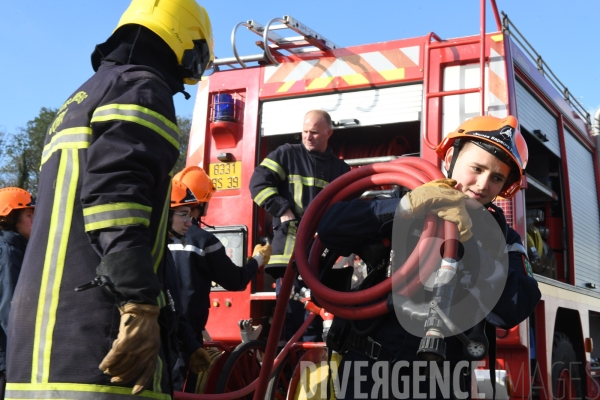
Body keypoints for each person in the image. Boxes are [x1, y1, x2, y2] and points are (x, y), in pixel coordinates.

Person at [5, 1, 214, 398]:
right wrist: (138, 306)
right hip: (97, 348)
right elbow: (116, 201)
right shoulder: (143, 86)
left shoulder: (79, 100)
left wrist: (181, 340)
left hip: (38, 351)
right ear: (189, 48)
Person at [318, 115, 542, 399]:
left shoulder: (502, 237)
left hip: (441, 380)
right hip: (368, 372)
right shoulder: (409, 200)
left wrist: (471, 244)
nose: (483, 184)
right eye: (476, 168)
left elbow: (516, 307)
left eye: (496, 178)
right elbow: (329, 228)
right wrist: (404, 207)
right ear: (451, 156)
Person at [168, 166, 272, 392]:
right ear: (202, 203)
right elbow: (235, 281)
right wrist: (256, 260)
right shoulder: (205, 241)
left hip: (162, 330)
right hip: (188, 336)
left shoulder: (155, 240)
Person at [249, 109, 350, 341]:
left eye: (314, 132)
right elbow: (258, 182)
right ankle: (286, 374)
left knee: (316, 326)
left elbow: (348, 208)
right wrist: (281, 209)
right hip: (288, 259)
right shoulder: (286, 155)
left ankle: (311, 374)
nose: (308, 137)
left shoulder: (340, 170)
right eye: (304, 131)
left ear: (328, 133)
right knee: (288, 323)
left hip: (322, 260)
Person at [0, 188, 35, 400]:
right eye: (29, 215)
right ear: (12, 218)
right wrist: (23, 354)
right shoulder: (8, 250)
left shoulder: (15, 247)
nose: (34, 220)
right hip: (7, 355)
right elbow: (9, 307)